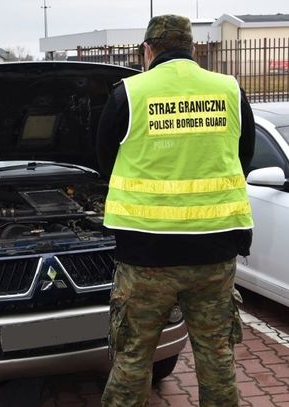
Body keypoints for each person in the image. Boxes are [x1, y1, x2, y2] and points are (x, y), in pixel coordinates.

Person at [96, 14, 255, 407]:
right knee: (217, 356)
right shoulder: (230, 91)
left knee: (133, 357)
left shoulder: (129, 94)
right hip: (215, 253)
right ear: (192, 48)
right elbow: (244, 157)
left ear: (148, 50)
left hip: (146, 257)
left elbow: (103, 163)